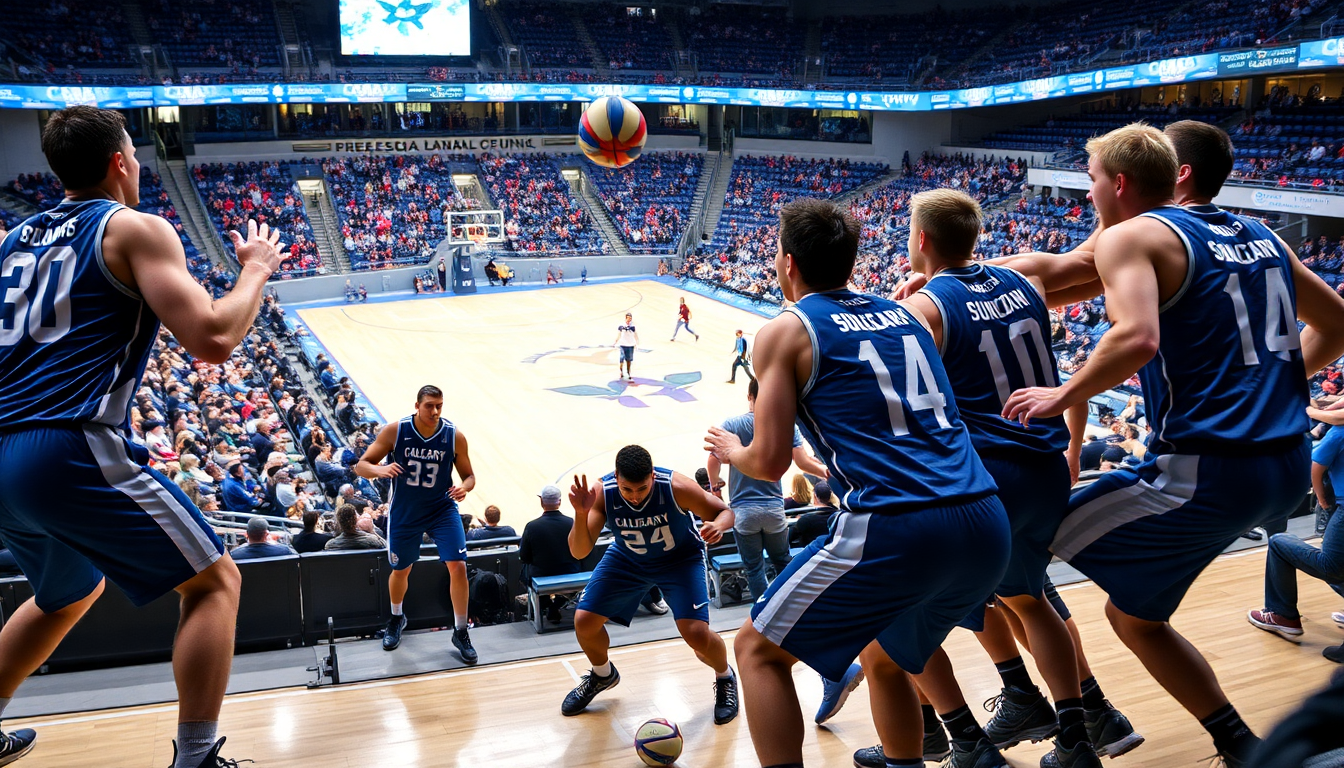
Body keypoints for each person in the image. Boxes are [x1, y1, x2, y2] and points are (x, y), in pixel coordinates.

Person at [1002, 122, 1344, 766]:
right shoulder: (1262, 232)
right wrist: (1281, 389)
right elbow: (1340, 324)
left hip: (1205, 468)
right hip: (1283, 463)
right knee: (1133, 618)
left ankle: (1066, 721)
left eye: (1093, 178)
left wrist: (1063, 393)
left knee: (1007, 543)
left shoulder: (1135, 235)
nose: (1088, 190)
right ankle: (1236, 744)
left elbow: (1135, 339)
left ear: (1120, 183)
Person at [0, 105, 286, 767]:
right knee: (215, 583)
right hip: (65, 444)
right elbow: (213, 337)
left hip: (4, 451)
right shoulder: (134, 228)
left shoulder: (13, 239)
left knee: (67, 593)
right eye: (136, 153)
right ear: (119, 162)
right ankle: (197, 757)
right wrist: (255, 270)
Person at [704, 198, 1010, 768]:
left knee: (756, 650)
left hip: (898, 524)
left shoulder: (786, 330)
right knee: (884, 651)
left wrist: (732, 450)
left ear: (788, 263)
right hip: (985, 517)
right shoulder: (910, 315)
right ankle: (927, 755)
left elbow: (769, 464)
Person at [853, 188, 1136, 768]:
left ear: (921, 241)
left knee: (909, 606)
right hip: (1045, 464)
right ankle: (1071, 727)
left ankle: (956, 737)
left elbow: (891, 399)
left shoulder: (926, 310)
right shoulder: (1027, 280)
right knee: (1023, 599)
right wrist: (1076, 444)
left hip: (989, 476)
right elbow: (1085, 286)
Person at [562, 445, 738, 724]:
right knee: (584, 622)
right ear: (616, 477)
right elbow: (579, 551)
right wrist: (581, 514)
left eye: (641, 489)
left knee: (696, 634)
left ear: (653, 477)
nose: (634, 497)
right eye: (627, 489)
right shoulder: (602, 492)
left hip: (679, 560)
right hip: (627, 559)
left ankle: (725, 676)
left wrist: (718, 526)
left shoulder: (677, 486)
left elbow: (724, 512)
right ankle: (603, 674)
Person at [356, 385, 479, 664]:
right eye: (429, 406)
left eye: (439, 406)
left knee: (458, 566)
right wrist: (381, 470)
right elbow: (361, 465)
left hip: (442, 509)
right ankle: (397, 618)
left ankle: (460, 631)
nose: (435, 411)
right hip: (406, 512)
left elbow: (470, 476)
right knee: (401, 569)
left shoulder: (454, 436)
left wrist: (465, 488)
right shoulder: (395, 431)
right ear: (417, 405)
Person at [708, 378, 828, 600]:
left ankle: (763, 612)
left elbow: (713, 460)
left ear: (749, 397)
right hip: (774, 509)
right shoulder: (785, 424)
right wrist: (829, 472)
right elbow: (803, 463)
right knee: (782, 561)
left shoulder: (732, 425)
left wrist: (716, 488)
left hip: (744, 512)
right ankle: (790, 605)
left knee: (754, 569)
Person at [1248, 417, 1344, 642]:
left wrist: (1321, 499)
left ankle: (1282, 615)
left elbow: (1315, 468)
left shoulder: (1338, 433)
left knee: (1282, 544)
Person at [519, 485, 582, 624]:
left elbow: (524, 556)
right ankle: (558, 604)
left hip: (542, 574)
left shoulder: (532, 526)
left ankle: (546, 603)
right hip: (571, 572)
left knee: (524, 573)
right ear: (559, 502)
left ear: (542, 502)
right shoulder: (571, 522)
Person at [789, 480, 837, 547]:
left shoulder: (806, 520)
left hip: (812, 554)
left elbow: (788, 538)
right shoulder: (839, 515)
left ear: (814, 497)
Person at [229, 517, 296, 561]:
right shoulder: (284, 551)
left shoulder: (234, 555)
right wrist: (275, 544)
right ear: (266, 534)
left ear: (246, 534)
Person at [614, 313, 639, 381]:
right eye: (628, 318)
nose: (629, 319)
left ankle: (628, 372)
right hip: (623, 344)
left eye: (630, 318)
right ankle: (621, 371)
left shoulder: (633, 325)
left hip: (630, 345)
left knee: (629, 360)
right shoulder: (622, 324)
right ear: (626, 318)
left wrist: (637, 343)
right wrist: (616, 341)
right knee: (622, 358)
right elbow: (619, 333)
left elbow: (635, 334)